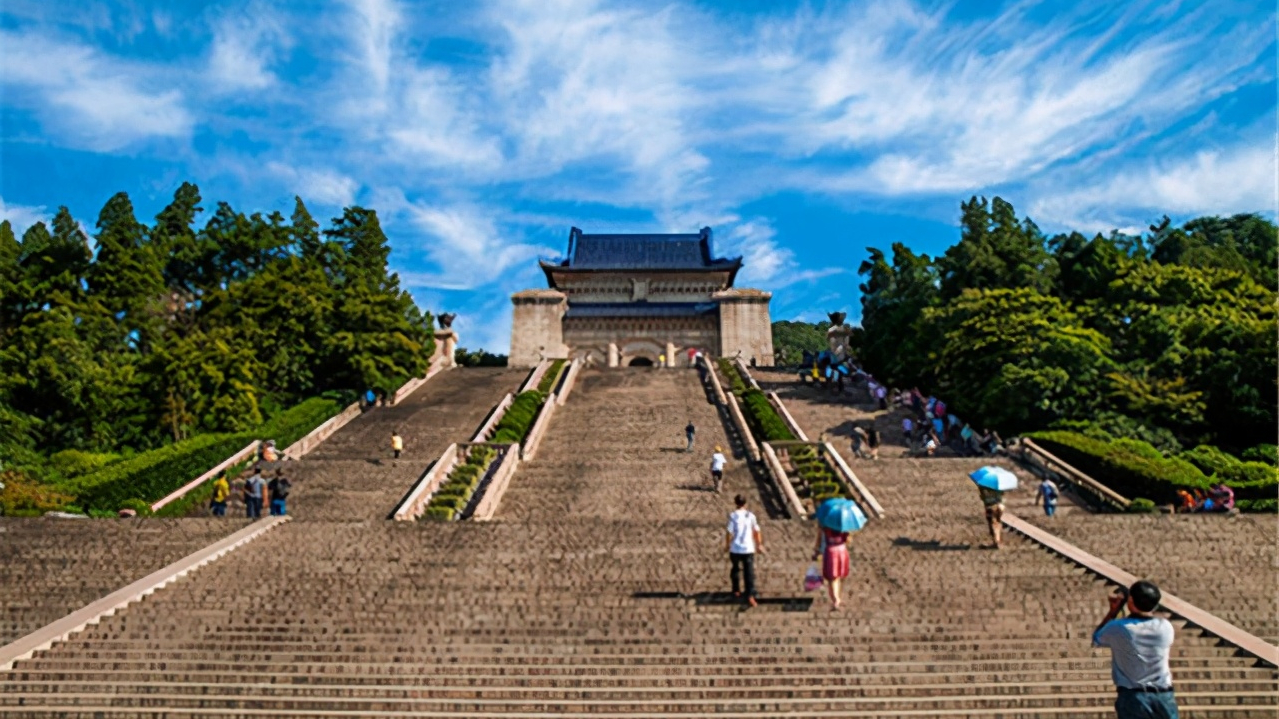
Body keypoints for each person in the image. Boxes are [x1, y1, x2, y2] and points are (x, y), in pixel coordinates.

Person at [1092, 581, 1178, 718]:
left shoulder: (1120, 628)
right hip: (1164, 695)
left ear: (1130, 600)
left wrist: (1114, 611)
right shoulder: (1165, 627)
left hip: (1134, 697)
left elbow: (1097, 637)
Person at [725, 494, 763, 607]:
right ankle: (750, 594)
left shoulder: (733, 516)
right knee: (749, 573)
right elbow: (757, 531)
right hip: (748, 548)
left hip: (735, 548)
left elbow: (729, 532)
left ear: (735, 503)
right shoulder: (750, 516)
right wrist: (759, 544)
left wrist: (727, 545)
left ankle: (736, 590)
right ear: (745, 503)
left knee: (735, 569)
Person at [812, 507, 851, 611]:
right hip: (842, 550)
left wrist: (817, 551)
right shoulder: (843, 526)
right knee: (839, 576)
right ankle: (837, 597)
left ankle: (836, 599)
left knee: (832, 578)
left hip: (831, 551)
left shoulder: (824, 526)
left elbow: (819, 539)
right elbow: (848, 540)